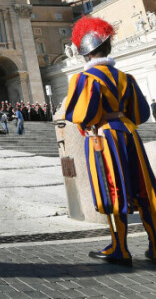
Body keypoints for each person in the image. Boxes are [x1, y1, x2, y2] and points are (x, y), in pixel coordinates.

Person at [65, 16, 156, 266]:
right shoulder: (126, 77)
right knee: (144, 188)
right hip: (129, 133)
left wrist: (91, 123)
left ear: (85, 54)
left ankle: (120, 248)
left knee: (112, 188)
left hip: (103, 137)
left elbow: (81, 114)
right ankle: (155, 245)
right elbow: (142, 113)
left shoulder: (85, 79)